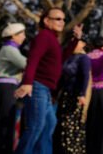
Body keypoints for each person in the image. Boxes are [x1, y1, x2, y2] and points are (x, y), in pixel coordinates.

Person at [17, 9, 72, 154]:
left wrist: (75, 41)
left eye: (63, 19)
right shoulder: (43, 37)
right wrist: (27, 82)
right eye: (58, 19)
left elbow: (60, 60)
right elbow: (33, 59)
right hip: (37, 86)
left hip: (46, 89)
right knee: (36, 126)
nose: (62, 22)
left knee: (49, 125)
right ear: (47, 21)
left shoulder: (52, 39)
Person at [0, 23, 28, 154]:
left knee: (1, 124)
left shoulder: (9, 49)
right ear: (13, 36)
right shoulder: (10, 49)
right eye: (21, 34)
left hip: (3, 88)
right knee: (5, 124)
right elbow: (25, 64)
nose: (24, 36)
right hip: (6, 88)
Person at [54, 30, 90, 154]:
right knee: (62, 124)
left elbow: (85, 76)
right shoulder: (68, 57)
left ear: (83, 44)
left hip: (76, 95)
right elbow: (61, 76)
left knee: (72, 125)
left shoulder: (83, 58)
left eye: (78, 41)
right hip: (65, 94)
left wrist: (82, 94)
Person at [84, 36, 103, 154]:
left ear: (92, 45)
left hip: (89, 91)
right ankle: (102, 150)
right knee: (101, 122)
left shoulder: (86, 56)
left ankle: (88, 148)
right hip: (102, 92)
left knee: (90, 120)